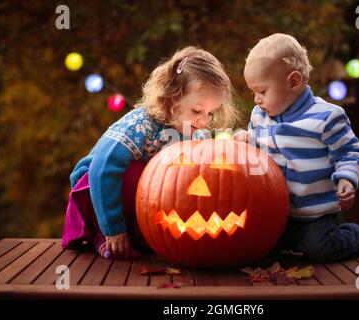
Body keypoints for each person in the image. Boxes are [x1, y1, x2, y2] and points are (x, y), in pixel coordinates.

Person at [62, 46, 240, 259]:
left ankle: (140, 238)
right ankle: (103, 236)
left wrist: (238, 142)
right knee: (137, 172)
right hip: (96, 193)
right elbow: (102, 169)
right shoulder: (140, 125)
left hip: (136, 204)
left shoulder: (194, 132)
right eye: (197, 110)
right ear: (172, 97)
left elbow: (210, 164)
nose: (203, 120)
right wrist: (114, 228)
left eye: (210, 113)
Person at [237, 33, 359, 263]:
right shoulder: (260, 116)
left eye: (262, 91)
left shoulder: (327, 116)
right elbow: (258, 150)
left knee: (319, 249)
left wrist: (346, 178)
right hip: (276, 212)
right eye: (253, 92)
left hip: (314, 214)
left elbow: (348, 151)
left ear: (293, 82)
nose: (256, 100)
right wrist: (246, 139)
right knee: (258, 246)